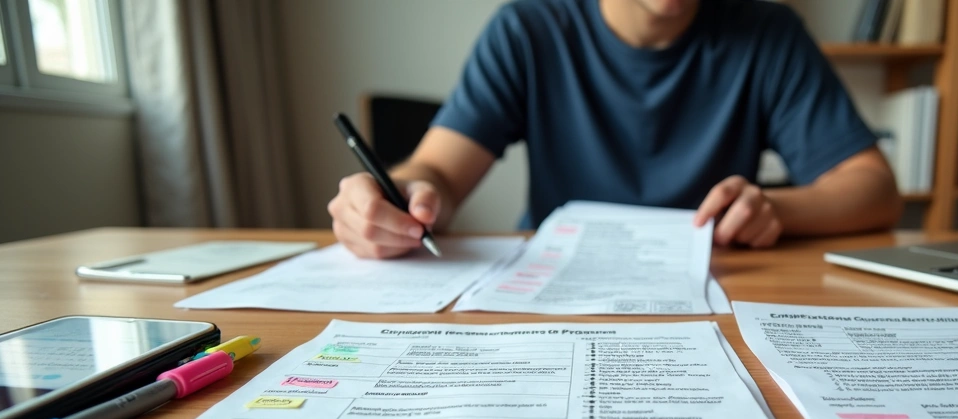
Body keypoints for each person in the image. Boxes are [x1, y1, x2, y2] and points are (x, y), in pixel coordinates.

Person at [328, 0, 903, 259]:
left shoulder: (768, 33)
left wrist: (777, 209)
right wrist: (401, 196)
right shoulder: (528, 30)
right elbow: (436, 172)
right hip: (552, 287)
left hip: (717, 283)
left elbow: (874, 188)